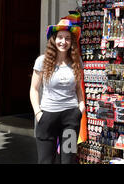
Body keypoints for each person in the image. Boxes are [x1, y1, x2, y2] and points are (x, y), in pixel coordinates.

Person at [29, 17, 85, 164]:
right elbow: (34, 89)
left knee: (68, 160)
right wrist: (38, 113)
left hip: (70, 119)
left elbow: (78, 88)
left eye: (67, 38)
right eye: (60, 37)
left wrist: (81, 107)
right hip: (47, 118)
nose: (63, 42)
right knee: (46, 161)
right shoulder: (42, 61)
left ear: (72, 42)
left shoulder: (77, 61)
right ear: (53, 39)